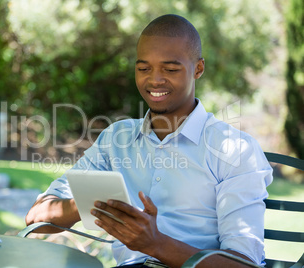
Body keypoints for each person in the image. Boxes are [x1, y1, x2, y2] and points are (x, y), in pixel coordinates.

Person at [26, 14, 273, 268]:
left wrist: (155, 244)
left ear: (198, 69)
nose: (154, 79)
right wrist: (90, 203)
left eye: (170, 69)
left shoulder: (234, 150)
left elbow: (245, 264)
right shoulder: (117, 139)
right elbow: (36, 219)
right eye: (144, 68)